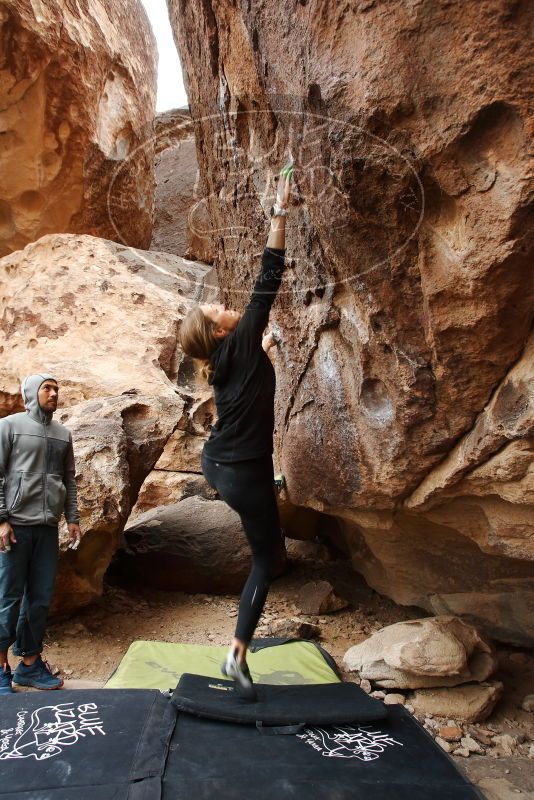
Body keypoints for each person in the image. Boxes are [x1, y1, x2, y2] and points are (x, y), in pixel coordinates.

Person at [179, 163, 294, 698]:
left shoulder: (233, 355)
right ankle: (236, 656)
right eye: (217, 308)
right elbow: (270, 273)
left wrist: (266, 351)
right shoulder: (242, 336)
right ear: (220, 329)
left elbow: (247, 382)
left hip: (223, 463)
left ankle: (237, 652)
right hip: (241, 470)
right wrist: (279, 211)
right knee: (268, 559)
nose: (226, 305)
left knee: (267, 553)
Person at [0, 373, 81, 694]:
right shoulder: (9, 426)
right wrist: (1, 520)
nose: (54, 393)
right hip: (15, 527)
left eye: (57, 389)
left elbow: (69, 480)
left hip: (47, 528)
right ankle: (1, 667)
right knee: (7, 598)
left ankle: (30, 665)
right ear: (32, 393)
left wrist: (72, 518)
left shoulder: (63, 434)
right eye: (47, 388)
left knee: (40, 599)